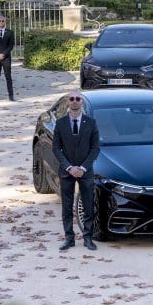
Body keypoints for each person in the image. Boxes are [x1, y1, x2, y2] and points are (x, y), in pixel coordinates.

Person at [52, 91, 101, 251]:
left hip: (85, 171)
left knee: (88, 205)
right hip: (66, 171)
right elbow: (56, 148)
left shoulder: (91, 123)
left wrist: (83, 167)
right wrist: (69, 167)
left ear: (82, 102)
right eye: (71, 99)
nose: (74, 101)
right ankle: (69, 238)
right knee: (67, 207)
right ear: (67, 102)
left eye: (77, 99)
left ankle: (88, 238)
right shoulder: (60, 124)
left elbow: (95, 148)